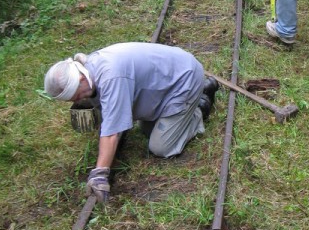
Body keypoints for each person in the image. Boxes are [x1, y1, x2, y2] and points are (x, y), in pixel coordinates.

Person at [44, 42, 219, 203]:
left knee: (161, 146)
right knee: (147, 129)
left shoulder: (111, 77)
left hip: (184, 79)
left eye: (76, 95)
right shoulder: (90, 68)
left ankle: (200, 106)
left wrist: (99, 174)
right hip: (170, 77)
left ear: (81, 79)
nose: (78, 100)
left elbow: (111, 133)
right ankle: (194, 99)